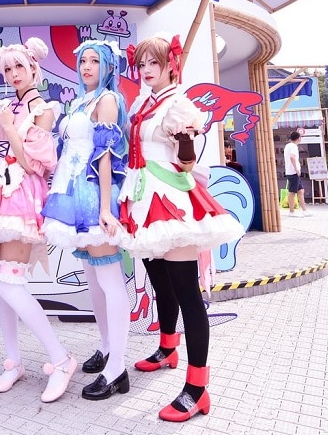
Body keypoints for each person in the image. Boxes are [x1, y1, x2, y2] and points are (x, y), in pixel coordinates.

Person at [120, 35, 245, 423]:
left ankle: (197, 389)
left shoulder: (179, 104)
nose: (146, 70)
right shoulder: (143, 102)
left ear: (171, 65)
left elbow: (186, 161)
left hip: (171, 198)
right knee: (159, 279)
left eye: (154, 63)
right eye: (142, 64)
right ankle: (167, 348)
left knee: (186, 292)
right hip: (143, 196)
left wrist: (186, 140)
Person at [0, 37, 76, 402]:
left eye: (20, 67)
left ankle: (61, 359)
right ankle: (13, 361)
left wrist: (8, 126)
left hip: (22, 193)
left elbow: (35, 163)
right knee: (1, 282)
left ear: (34, 68)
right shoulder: (7, 106)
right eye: (8, 68)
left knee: (11, 284)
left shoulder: (44, 109)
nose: (14, 74)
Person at [41, 39, 130, 402]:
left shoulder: (107, 100)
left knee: (110, 280)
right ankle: (107, 348)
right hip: (71, 192)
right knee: (94, 281)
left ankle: (118, 367)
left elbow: (105, 154)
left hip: (92, 195)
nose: (87, 67)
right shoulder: (79, 101)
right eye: (83, 61)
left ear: (108, 67)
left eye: (95, 61)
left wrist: (106, 208)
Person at [283, 131, 310, 217]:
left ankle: (304, 210)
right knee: (292, 192)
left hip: (292, 172)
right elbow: (292, 157)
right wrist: (296, 168)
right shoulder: (294, 146)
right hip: (293, 172)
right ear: (299, 138)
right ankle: (291, 212)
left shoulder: (288, 146)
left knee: (301, 190)